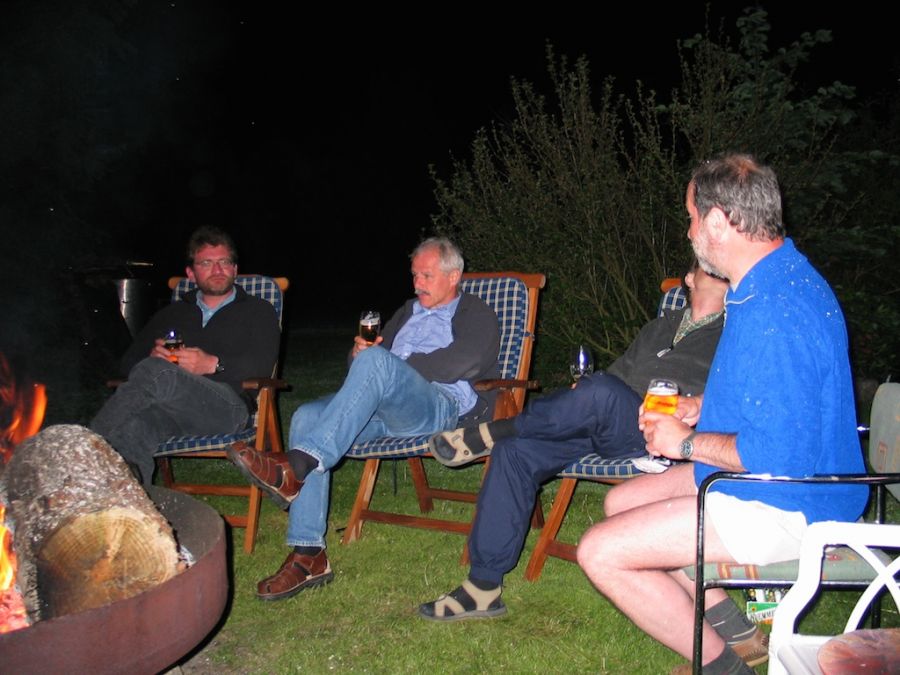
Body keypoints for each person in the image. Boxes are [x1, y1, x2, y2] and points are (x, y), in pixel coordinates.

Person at [576, 154, 868, 675]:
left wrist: (684, 442)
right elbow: (772, 394)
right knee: (621, 501)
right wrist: (701, 407)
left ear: (716, 221)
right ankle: (741, 635)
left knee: (600, 552)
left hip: (794, 500)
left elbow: (779, 455)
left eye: (691, 218)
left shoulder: (778, 312)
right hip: (779, 477)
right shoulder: (765, 281)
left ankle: (722, 669)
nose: (688, 231)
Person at [418, 261, 729, 622]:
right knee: (515, 452)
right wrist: (584, 397)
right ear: (689, 278)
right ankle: (483, 586)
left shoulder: (734, 333)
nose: (719, 271)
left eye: (723, 269)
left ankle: (496, 429)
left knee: (599, 391)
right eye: (709, 267)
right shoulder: (659, 327)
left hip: (658, 430)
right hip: (606, 420)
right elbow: (616, 376)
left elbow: (731, 397)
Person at [227, 237, 500, 601]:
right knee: (307, 416)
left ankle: (297, 466)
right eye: (414, 275)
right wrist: (358, 355)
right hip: (384, 407)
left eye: (426, 275)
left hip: (438, 407)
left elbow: (466, 362)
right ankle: (309, 555)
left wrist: (391, 365)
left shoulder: (476, 313)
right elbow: (369, 365)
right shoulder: (408, 311)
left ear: (453, 276)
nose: (417, 284)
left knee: (377, 364)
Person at [90, 226, 281, 485]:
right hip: (170, 413)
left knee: (159, 371)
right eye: (206, 263)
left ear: (235, 269)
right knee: (133, 433)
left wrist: (213, 365)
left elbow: (262, 363)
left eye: (224, 262)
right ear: (191, 273)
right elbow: (127, 364)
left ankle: (83, 447)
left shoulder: (258, 311)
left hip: (227, 409)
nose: (217, 270)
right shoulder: (170, 314)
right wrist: (151, 355)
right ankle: (128, 500)